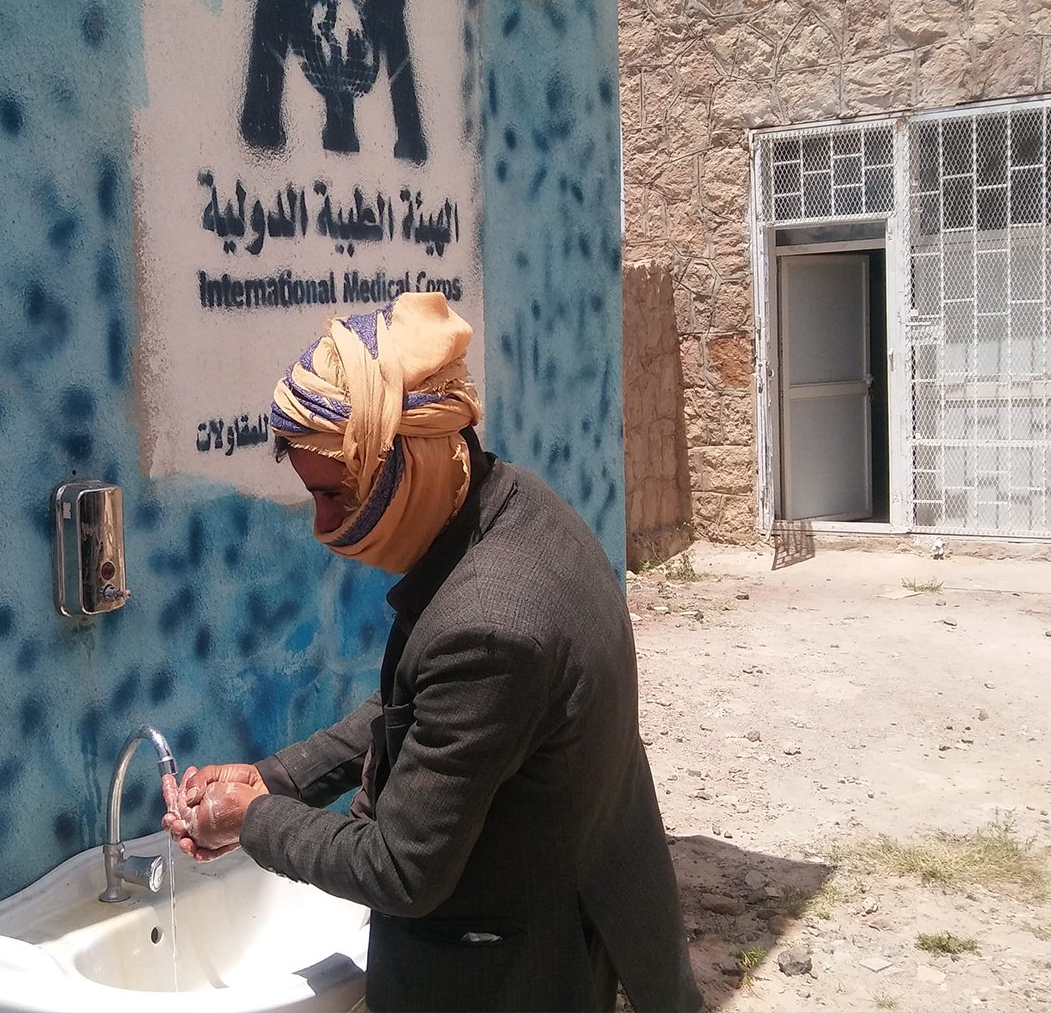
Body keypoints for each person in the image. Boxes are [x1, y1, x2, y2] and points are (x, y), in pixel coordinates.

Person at [164, 293, 702, 1012]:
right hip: (579, 892)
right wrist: (278, 778)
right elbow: (418, 709)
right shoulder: (513, 505)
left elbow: (401, 868)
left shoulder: (488, 623)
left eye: (336, 493)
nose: (325, 526)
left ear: (404, 461)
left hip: (509, 973)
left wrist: (252, 820)